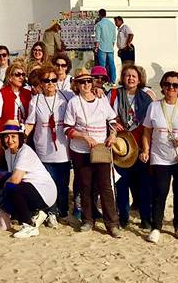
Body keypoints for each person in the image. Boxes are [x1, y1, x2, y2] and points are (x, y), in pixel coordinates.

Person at [140, 70, 178, 243]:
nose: (171, 88)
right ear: (162, 87)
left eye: (175, 85)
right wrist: (146, 150)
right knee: (159, 192)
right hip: (160, 157)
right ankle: (156, 227)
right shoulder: (154, 107)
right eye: (167, 84)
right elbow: (147, 131)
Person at [63, 67, 120, 236]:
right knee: (85, 186)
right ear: (77, 85)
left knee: (105, 186)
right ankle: (88, 220)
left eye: (89, 81)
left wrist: (113, 135)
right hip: (81, 150)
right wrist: (84, 137)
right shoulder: (74, 102)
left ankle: (112, 223)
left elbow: (112, 120)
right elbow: (67, 128)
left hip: (101, 148)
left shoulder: (101, 99)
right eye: (82, 82)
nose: (86, 84)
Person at [24, 64, 72, 225]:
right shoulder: (35, 100)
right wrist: (22, 138)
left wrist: (98, 90)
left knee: (63, 183)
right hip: (44, 149)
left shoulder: (66, 97)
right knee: (49, 182)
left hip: (63, 148)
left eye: (53, 80)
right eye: (46, 80)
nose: (50, 83)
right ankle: (51, 212)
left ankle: (63, 211)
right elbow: (30, 123)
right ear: (41, 82)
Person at [110, 63, 156, 229]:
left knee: (144, 185)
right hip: (122, 146)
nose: (130, 78)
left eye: (134, 76)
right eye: (127, 75)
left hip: (141, 145)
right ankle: (123, 216)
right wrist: (113, 123)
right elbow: (107, 114)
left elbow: (152, 121)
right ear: (123, 78)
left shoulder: (147, 97)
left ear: (139, 79)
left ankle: (145, 218)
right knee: (121, 184)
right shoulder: (114, 94)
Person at [0, 120, 59, 239]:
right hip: (30, 187)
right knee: (6, 188)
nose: (10, 140)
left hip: (44, 191)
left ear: (20, 138)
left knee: (11, 187)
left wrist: (4, 188)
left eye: (13, 136)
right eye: (6, 137)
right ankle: (36, 214)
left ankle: (28, 226)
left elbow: (15, 180)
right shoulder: (8, 152)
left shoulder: (25, 151)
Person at [0, 61, 31, 135]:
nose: (21, 77)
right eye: (17, 75)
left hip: (24, 134)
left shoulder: (28, 93)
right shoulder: (1, 94)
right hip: (7, 134)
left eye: (23, 74)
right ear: (10, 78)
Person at [94, 9, 118, 83]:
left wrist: (96, 47)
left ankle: (103, 81)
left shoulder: (99, 24)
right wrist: (111, 45)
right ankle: (113, 80)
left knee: (102, 66)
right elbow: (114, 38)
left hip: (102, 47)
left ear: (99, 15)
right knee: (112, 64)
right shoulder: (112, 24)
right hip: (110, 47)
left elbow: (98, 38)